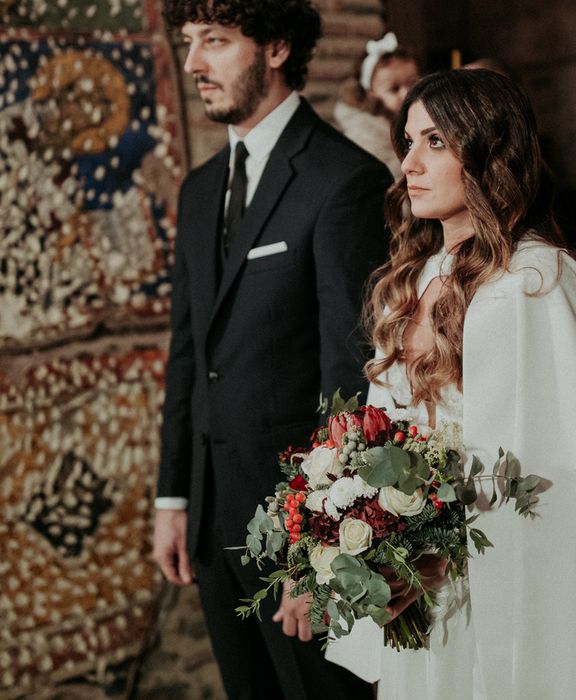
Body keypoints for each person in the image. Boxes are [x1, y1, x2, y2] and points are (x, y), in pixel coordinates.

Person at [326, 69, 576, 699]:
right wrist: (365, 526)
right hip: (414, 584)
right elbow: (382, 435)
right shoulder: (413, 278)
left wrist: (440, 547)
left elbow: (559, 470)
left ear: (489, 153)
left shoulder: (536, 281)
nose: (410, 162)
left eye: (436, 142)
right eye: (409, 140)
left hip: (491, 582)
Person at [152, 1, 391, 698]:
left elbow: (351, 378)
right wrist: (174, 496)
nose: (195, 62)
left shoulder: (344, 182)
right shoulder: (199, 193)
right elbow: (189, 355)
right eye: (189, 42)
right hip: (212, 519)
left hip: (297, 534)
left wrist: (321, 545)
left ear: (278, 46)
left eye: (217, 41)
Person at [333, 32, 420, 177]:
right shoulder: (364, 131)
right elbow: (381, 174)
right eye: (394, 89)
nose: (406, 94)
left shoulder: (413, 116)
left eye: (412, 84)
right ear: (372, 93)